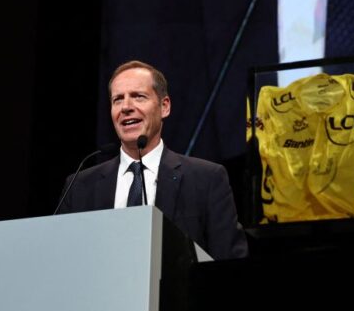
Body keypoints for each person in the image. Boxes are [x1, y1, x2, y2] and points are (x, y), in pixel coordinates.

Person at [57, 60, 248, 260]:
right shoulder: (80, 186)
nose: (126, 107)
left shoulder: (206, 179)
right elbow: (60, 258)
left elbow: (230, 266)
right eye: (118, 99)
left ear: (164, 106)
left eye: (138, 97)